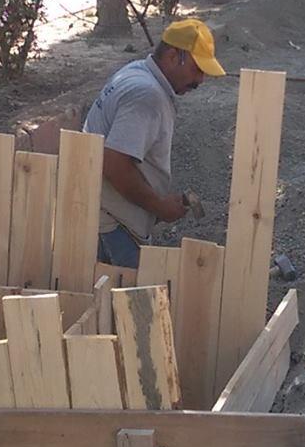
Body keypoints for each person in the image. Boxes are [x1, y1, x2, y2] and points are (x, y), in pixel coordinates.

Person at [84, 18, 224, 269]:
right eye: (196, 69)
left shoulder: (136, 71)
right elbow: (114, 163)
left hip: (102, 217)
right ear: (173, 56)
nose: (200, 80)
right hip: (114, 227)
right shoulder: (146, 95)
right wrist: (157, 205)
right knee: (127, 304)